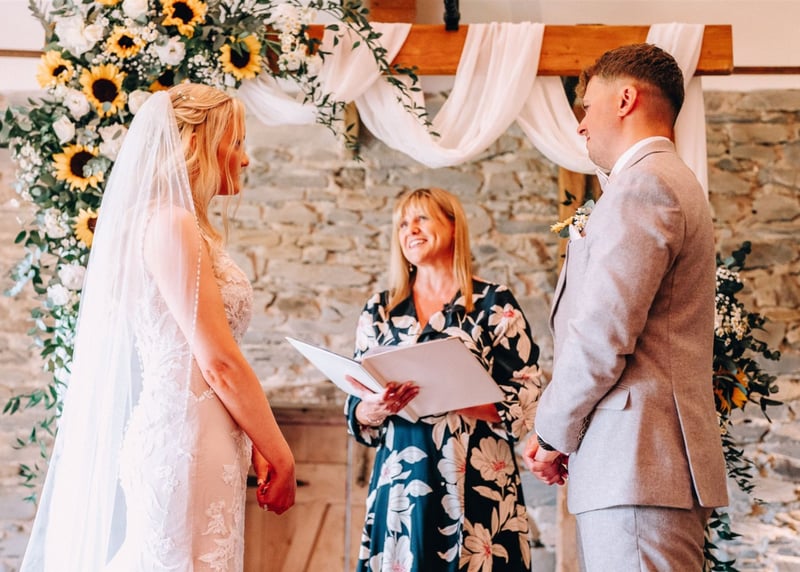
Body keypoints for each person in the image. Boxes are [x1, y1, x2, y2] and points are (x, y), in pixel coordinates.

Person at [21, 83, 296, 571]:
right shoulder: (170, 223)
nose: (245, 158)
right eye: (235, 142)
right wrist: (279, 451)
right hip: (187, 438)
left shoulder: (160, 222)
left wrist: (251, 437)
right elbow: (219, 363)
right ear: (197, 143)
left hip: (194, 431)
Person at [523, 43, 728, 570]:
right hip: (638, 463)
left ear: (626, 99)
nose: (580, 124)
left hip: (637, 462)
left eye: (587, 106)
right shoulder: (667, 179)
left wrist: (551, 432)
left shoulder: (644, 185)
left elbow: (602, 333)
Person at [345, 187, 543, 572]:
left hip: (478, 481)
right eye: (403, 223)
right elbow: (356, 407)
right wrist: (373, 408)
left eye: (422, 218)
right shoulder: (380, 310)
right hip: (401, 483)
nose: (411, 230)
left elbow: (527, 397)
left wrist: (451, 394)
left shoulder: (493, 304)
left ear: (453, 226)